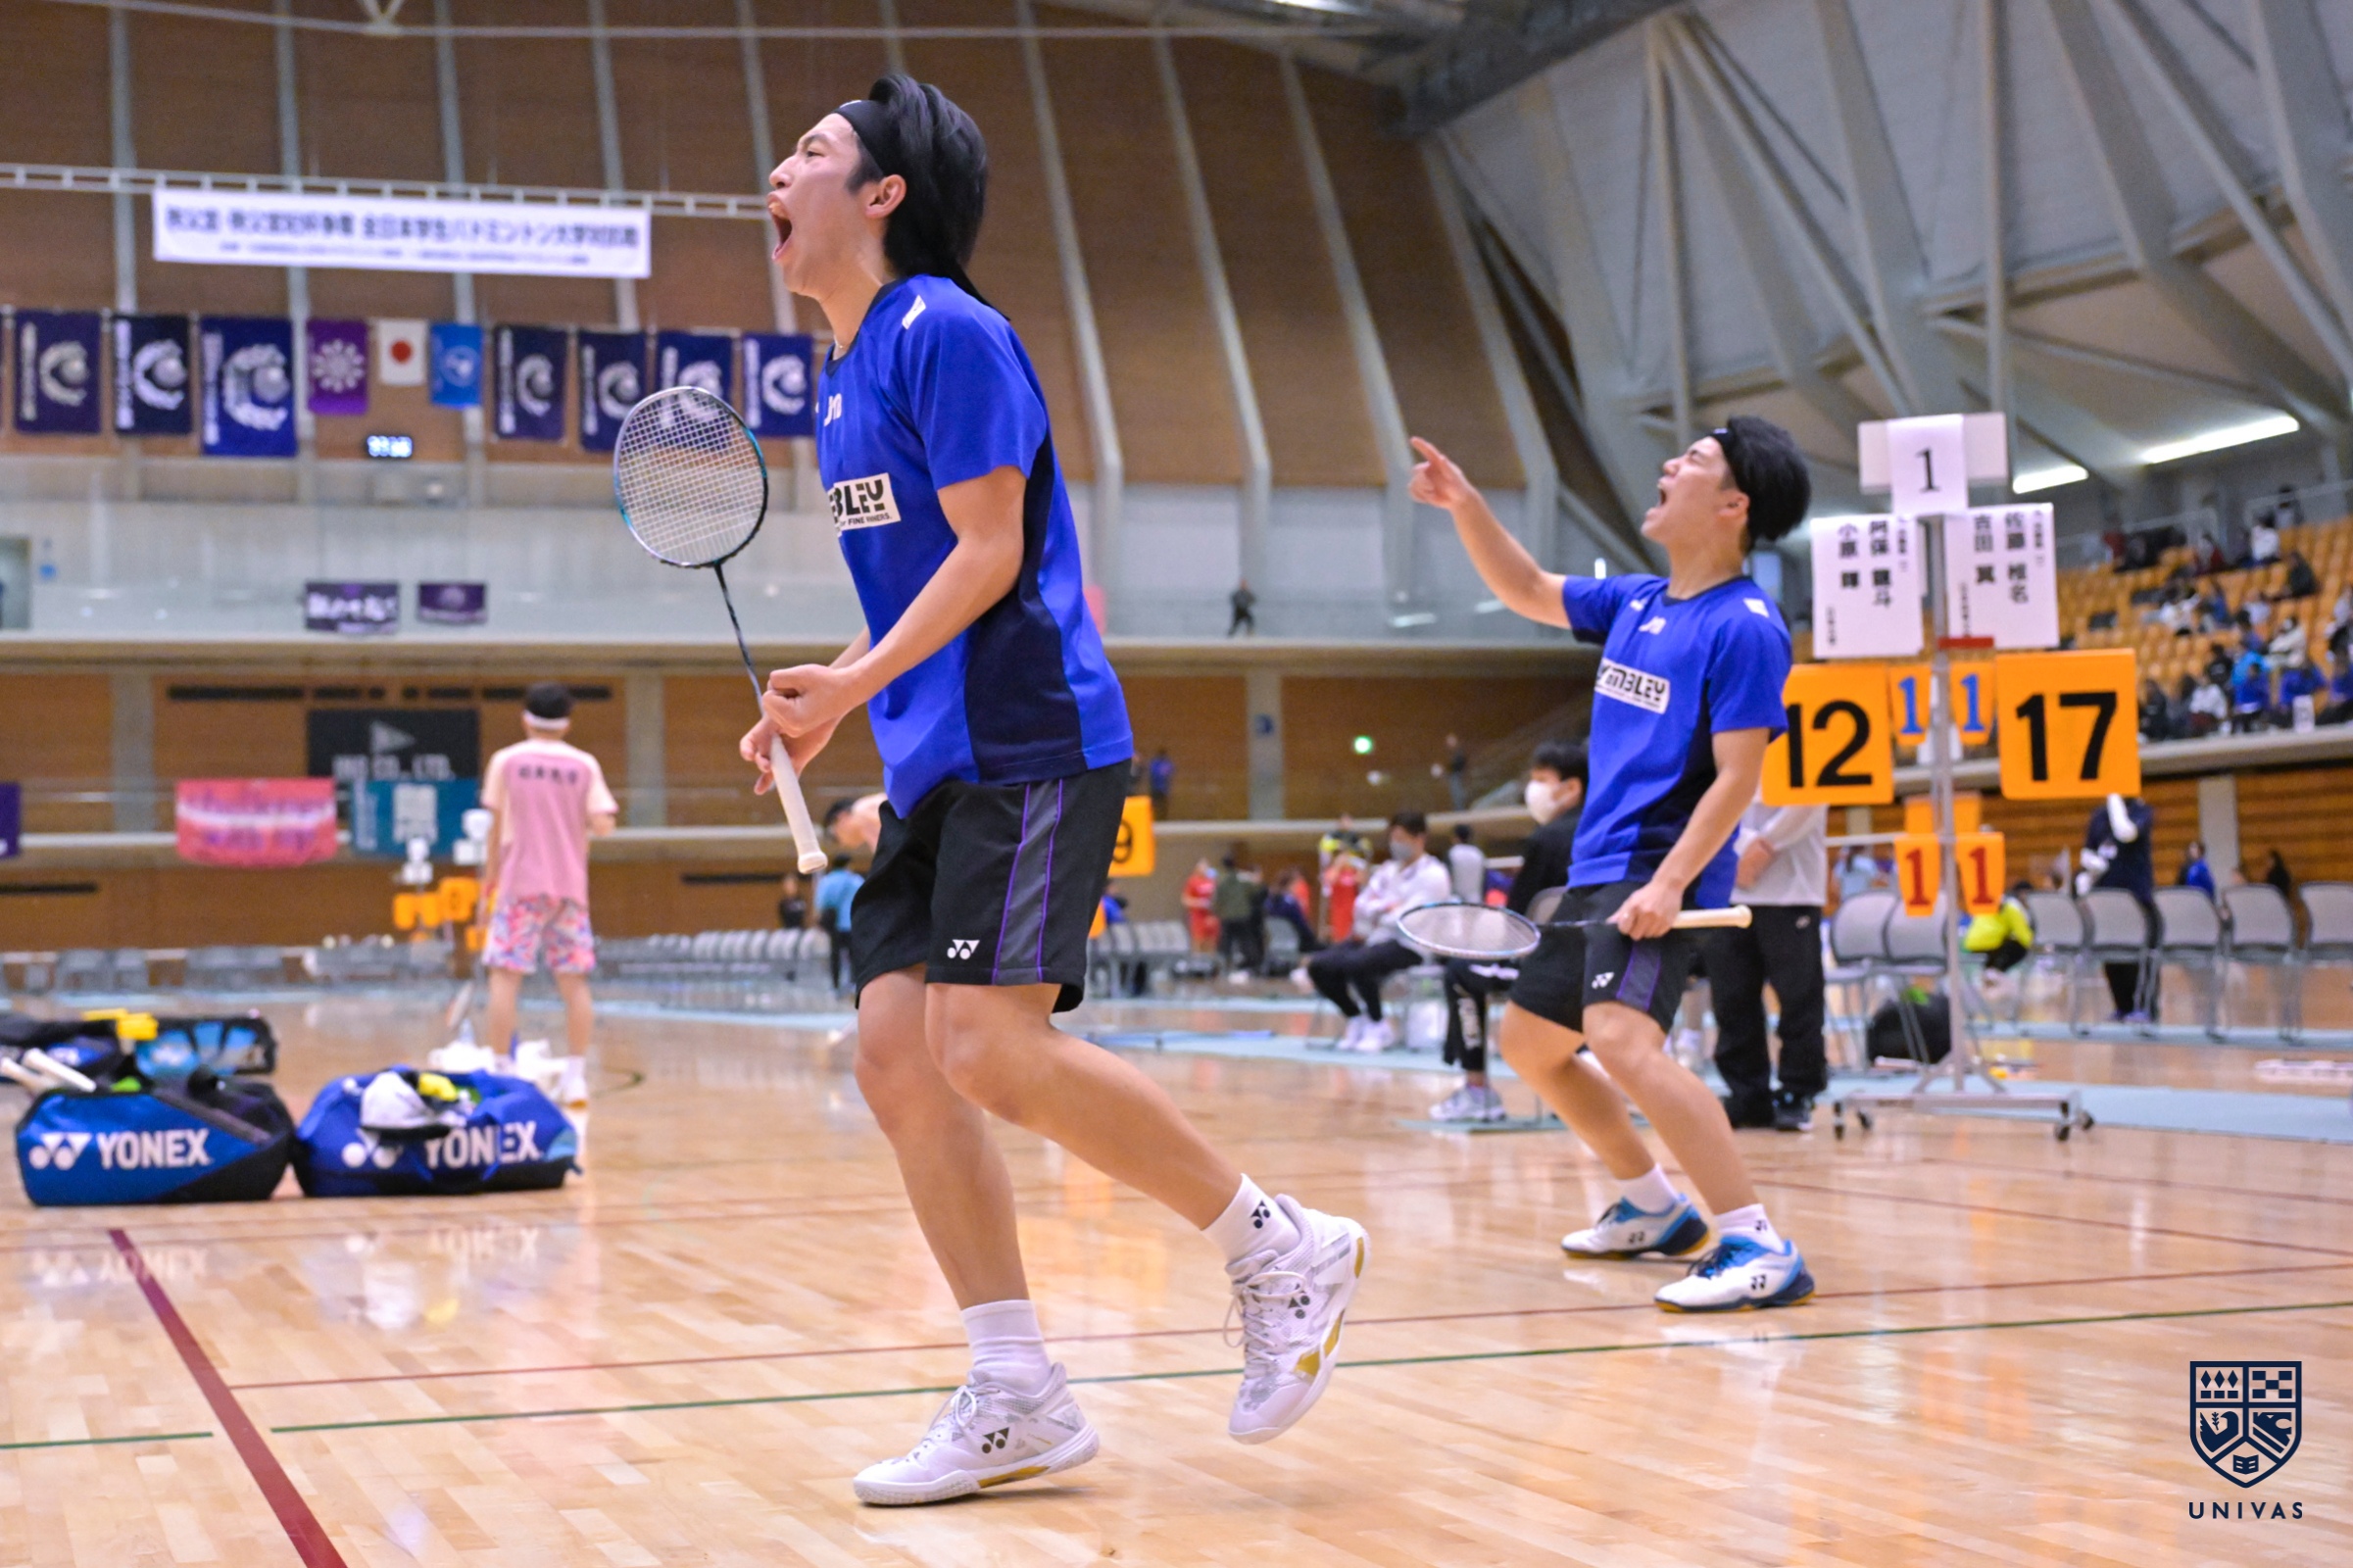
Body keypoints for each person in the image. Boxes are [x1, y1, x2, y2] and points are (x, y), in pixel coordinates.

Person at [744, 75, 1367, 1505]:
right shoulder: (845, 377)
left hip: (1027, 738)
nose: (779, 171)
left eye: (811, 150)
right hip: (933, 764)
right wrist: (838, 697)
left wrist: (853, 683)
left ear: (884, 193)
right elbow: (922, 583)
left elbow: (990, 554)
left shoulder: (945, 331)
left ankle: (1278, 1245)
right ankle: (1016, 1384)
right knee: (897, 1055)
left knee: (986, 1046)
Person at [1409, 413, 1818, 1312]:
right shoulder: (1635, 602)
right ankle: (1652, 1205)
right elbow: (1526, 587)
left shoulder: (1745, 627)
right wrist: (1465, 505)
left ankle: (1756, 1240)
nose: (1670, 464)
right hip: (1598, 864)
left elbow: (1739, 777)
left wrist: (1670, 884)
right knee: (1530, 1043)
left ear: (1734, 505)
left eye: (1695, 459)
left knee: (1622, 1039)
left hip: (1657, 865)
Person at [1434, 741, 1585, 1125]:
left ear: (1572, 787)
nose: (1533, 789)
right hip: (1609, 962)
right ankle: (1583, 1088)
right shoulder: (1609, 830)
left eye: (1542, 779)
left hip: (1551, 966)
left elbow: (1518, 921)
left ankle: (1477, 1091)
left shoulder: (1546, 839)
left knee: (1460, 973)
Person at [479, 683, 619, 1060]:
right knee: (574, 984)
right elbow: (603, 823)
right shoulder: (584, 765)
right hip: (569, 889)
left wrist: (488, 883)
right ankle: (575, 1075)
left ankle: (501, 1067)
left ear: (526, 720)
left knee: (504, 978)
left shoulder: (506, 761)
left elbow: (495, 830)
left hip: (518, 885)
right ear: (567, 723)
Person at [1708, 791, 1829, 1134]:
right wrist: (1742, 844)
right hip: (1726, 889)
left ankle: (1797, 1091)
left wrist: (1766, 844)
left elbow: (1812, 797)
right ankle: (1746, 1094)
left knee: (1799, 997)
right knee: (1731, 998)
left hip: (1794, 889)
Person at [1304, 811, 1452, 1052]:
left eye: (1401, 838)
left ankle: (1377, 1023)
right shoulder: (1387, 870)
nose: (1395, 844)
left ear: (1419, 839)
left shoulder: (1434, 875)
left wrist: (1383, 910)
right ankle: (1355, 1017)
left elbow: (1408, 918)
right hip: (1375, 938)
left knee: (1358, 963)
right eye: (1393, 838)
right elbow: (1361, 905)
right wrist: (1387, 906)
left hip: (1411, 946)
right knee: (1319, 966)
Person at [2076, 793, 2155, 1022]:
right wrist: (2092, 865)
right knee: (2111, 952)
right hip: (2106, 897)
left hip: (2136, 897)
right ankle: (2122, 1005)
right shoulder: (2098, 816)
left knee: (2141, 954)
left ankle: (2146, 1007)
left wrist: (2115, 803)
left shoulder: (2141, 811)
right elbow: (2087, 852)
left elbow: (2126, 832)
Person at [814, 853, 864, 991]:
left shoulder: (827, 881)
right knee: (853, 955)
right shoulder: (855, 880)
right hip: (852, 923)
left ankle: (835, 984)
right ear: (848, 865)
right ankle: (853, 983)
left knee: (835, 956)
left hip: (834, 924)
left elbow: (821, 903)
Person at [1211, 855, 1263, 979]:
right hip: (1242, 915)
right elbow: (1255, 890)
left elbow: (1217, 900)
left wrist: (1218, 912)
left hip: (1227, 916)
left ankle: (1225, 967)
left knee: (1226, 943)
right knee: (1246, 941)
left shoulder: (1221, 880)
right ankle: (1253, 966)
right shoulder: (1243, 877)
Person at [1446, 822, 1486, 904]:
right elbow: (1484, 878)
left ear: (1456, 837)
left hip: (1456, 899)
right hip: (1476, 899)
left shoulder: (1453, 853)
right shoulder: (1478, 854)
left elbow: (1448, 877)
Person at [1442, 732, 1470, 810]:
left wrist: (1446, 769)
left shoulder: (1459, 751)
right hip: (1454, 776)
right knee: (1456, 795)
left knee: (1458, 795)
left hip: (1458, 775)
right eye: (1448, 741)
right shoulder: (1450, 752)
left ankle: (1461, 810)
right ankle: (1458, 809)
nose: (1449, 743)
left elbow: (1459, 763)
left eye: (1451, 741)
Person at [1147, 747, 1174, 820]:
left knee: (1162, 804)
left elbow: (1170, 771)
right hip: (1157, 787)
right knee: (1155, 804)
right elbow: (1154, 774)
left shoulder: (1163, 763)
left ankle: (1162, 817)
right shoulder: (1157, 763)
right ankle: (1154, 817)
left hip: (1162, 788)